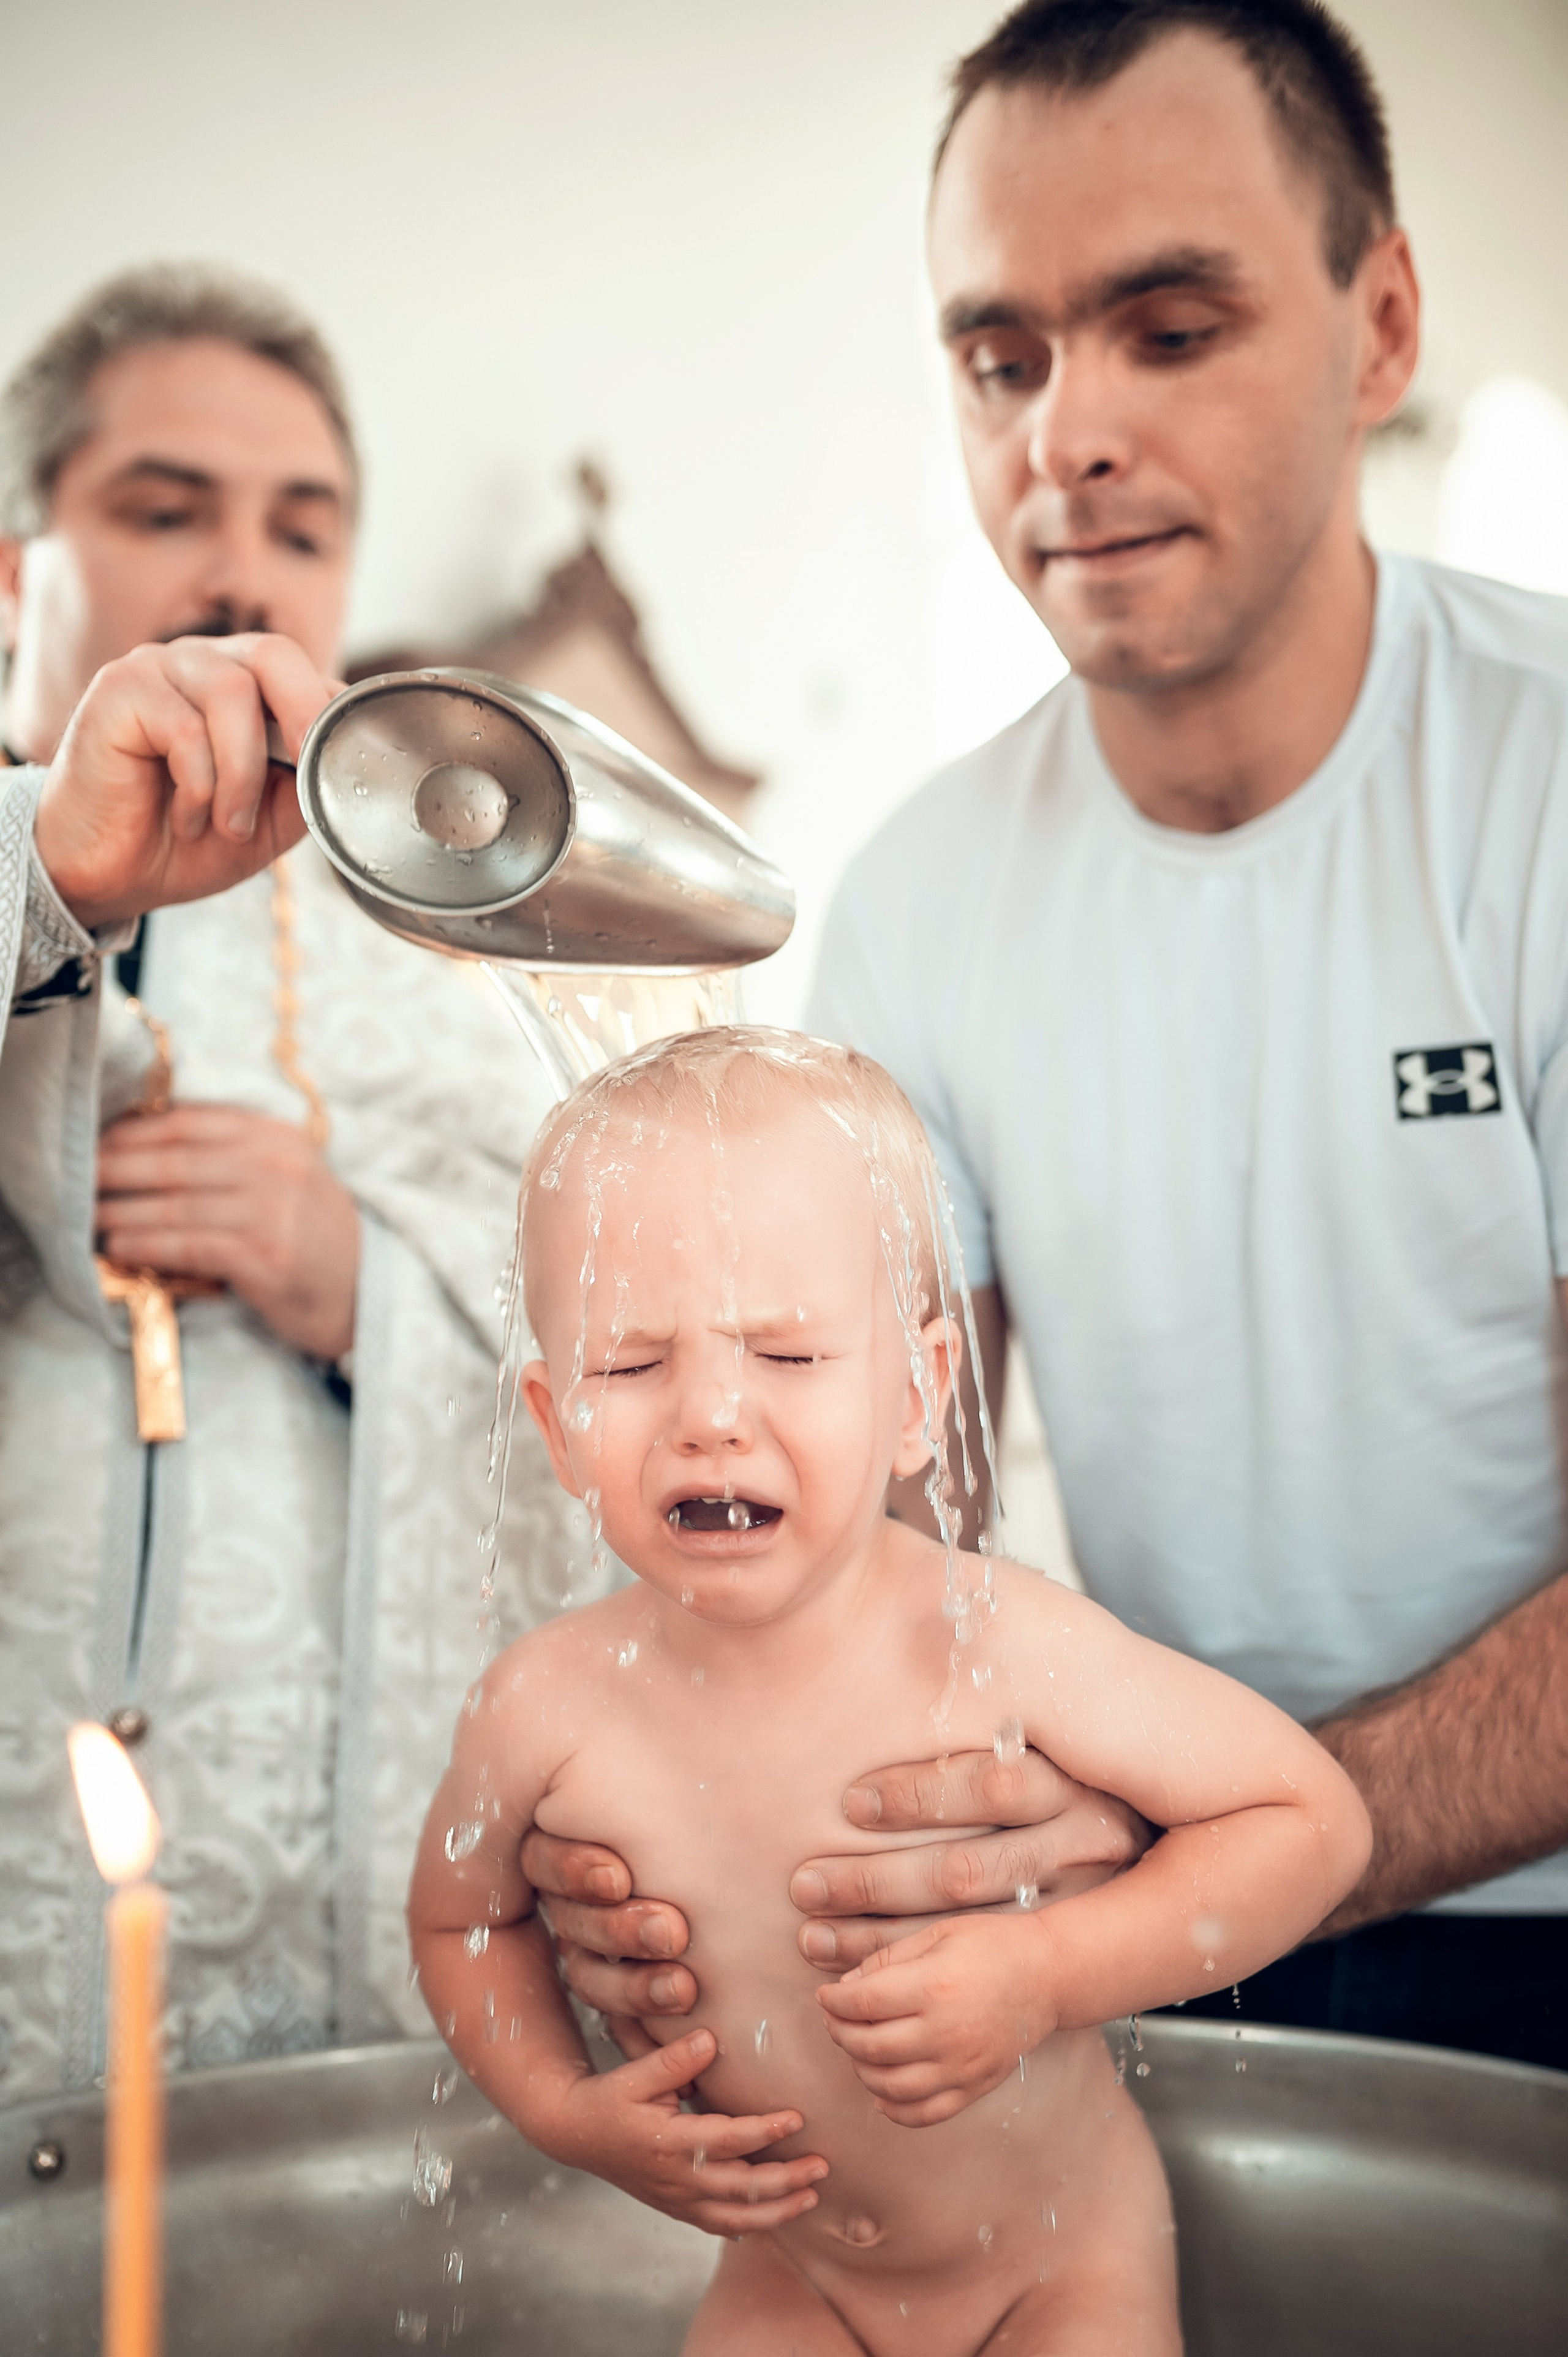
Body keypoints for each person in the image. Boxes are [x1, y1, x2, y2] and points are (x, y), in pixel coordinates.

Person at [524, 0, 1568, 2077]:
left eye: (1170, 330)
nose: (1062, 434)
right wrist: (693, 1815)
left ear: (1380, 330)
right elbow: (870, 1515)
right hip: (1159, 1909)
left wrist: (1215, 1820)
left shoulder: (1539, 788)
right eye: (1002, 357)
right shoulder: (918, 897)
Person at [408, 1027, 1370, 2355]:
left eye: (788, 1356)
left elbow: (1307, 1822)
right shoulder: (544, 1705)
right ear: (560, 1423)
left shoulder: (996, 1642)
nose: (711, 1416)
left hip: (1058, 2263)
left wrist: (1040, 1973)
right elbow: (463, 1924)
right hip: (793, 2273)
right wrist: (563, 2109)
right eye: (631, 1366)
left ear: (917, 1393)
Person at [0, 264, 591, 2103]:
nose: (243, 576)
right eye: (166, 510)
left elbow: (659, 1374)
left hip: (342, 1929)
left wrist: (374, 1287)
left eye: (302, 527)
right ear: (18, 572)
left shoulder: (470, 966)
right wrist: (56, 897)